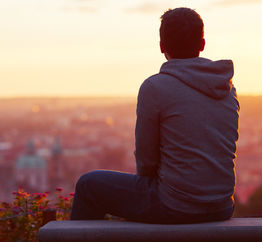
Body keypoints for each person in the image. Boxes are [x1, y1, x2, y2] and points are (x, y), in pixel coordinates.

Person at [70, 7, 239, 224]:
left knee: (88, 185)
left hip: (176, 206)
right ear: (202, 44)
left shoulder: (155, 87)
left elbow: (147, 160)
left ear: (161, 47)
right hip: (222, 207)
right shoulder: (226, 87)